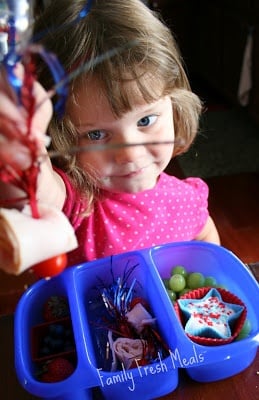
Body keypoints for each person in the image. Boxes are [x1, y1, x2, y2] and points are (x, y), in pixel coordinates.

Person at [0, 0, 220, 274]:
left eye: (145, 120)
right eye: (96, 134)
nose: (130, 153)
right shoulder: (77, 204)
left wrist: (211, 277)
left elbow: (204, 233)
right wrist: (22, 146)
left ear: (174, 106)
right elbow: (39, 196)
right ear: (59, 137)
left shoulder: (184, 199)